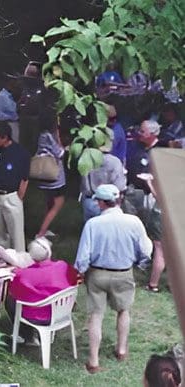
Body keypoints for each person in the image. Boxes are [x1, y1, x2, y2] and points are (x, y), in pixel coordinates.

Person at [74, 184, 153, 373]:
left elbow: (83, 256)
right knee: (124, 311)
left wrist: (81, 271)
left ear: (101, 202)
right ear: (118, 200)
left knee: (96, 316)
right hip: (123, 273)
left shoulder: (93, 224)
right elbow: (146, 249)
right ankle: (121, 350)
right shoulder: (133, 222)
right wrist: (141, 263)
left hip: (97, 274)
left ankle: (93, 361)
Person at [6, 237, 78, 343]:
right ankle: (45, 335)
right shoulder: (63, 266)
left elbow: (16, 293)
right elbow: (75, 280)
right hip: (62, 313)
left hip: (37, 316)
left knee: (10, 300)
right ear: (49, 252)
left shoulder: (23, 274)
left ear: (31, 256)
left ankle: (28, 336)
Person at [126, 120, 165, 292]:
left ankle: (147, 261)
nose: (139, 133)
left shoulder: (161, 152)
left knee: (153, 236)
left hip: (151, 197)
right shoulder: (136, 146)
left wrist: (149, 183)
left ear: (152, 134)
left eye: (142, 131)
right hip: (134, 190)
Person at [0, 122, 30, 252]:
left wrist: (19, 196)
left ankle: (19, 258)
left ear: (5, 137)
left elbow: (25, 177)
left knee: (15, 232)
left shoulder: (21, 153)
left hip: (11, 195)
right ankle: (1, 255)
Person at [80, 132, 127, 221]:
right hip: (109, 204)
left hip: (90, 201)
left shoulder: (87, 158)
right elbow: (120, 186)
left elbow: (85, 184)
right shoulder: (115, 162)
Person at [35, 115, 66, 237]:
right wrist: (59, 139)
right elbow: (60, 152)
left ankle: (45, 229)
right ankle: (41, 232)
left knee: (50, 202)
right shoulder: (49, 136)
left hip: (45, 175)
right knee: (58, 203)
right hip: (54, 177)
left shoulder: (41, 135)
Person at [0, 78, 21, 143]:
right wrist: (21, 102)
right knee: (13, 143)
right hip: (8, 124)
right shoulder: (3, 96)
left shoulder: (9, 96)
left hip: (11, 123)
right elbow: (13, 109)